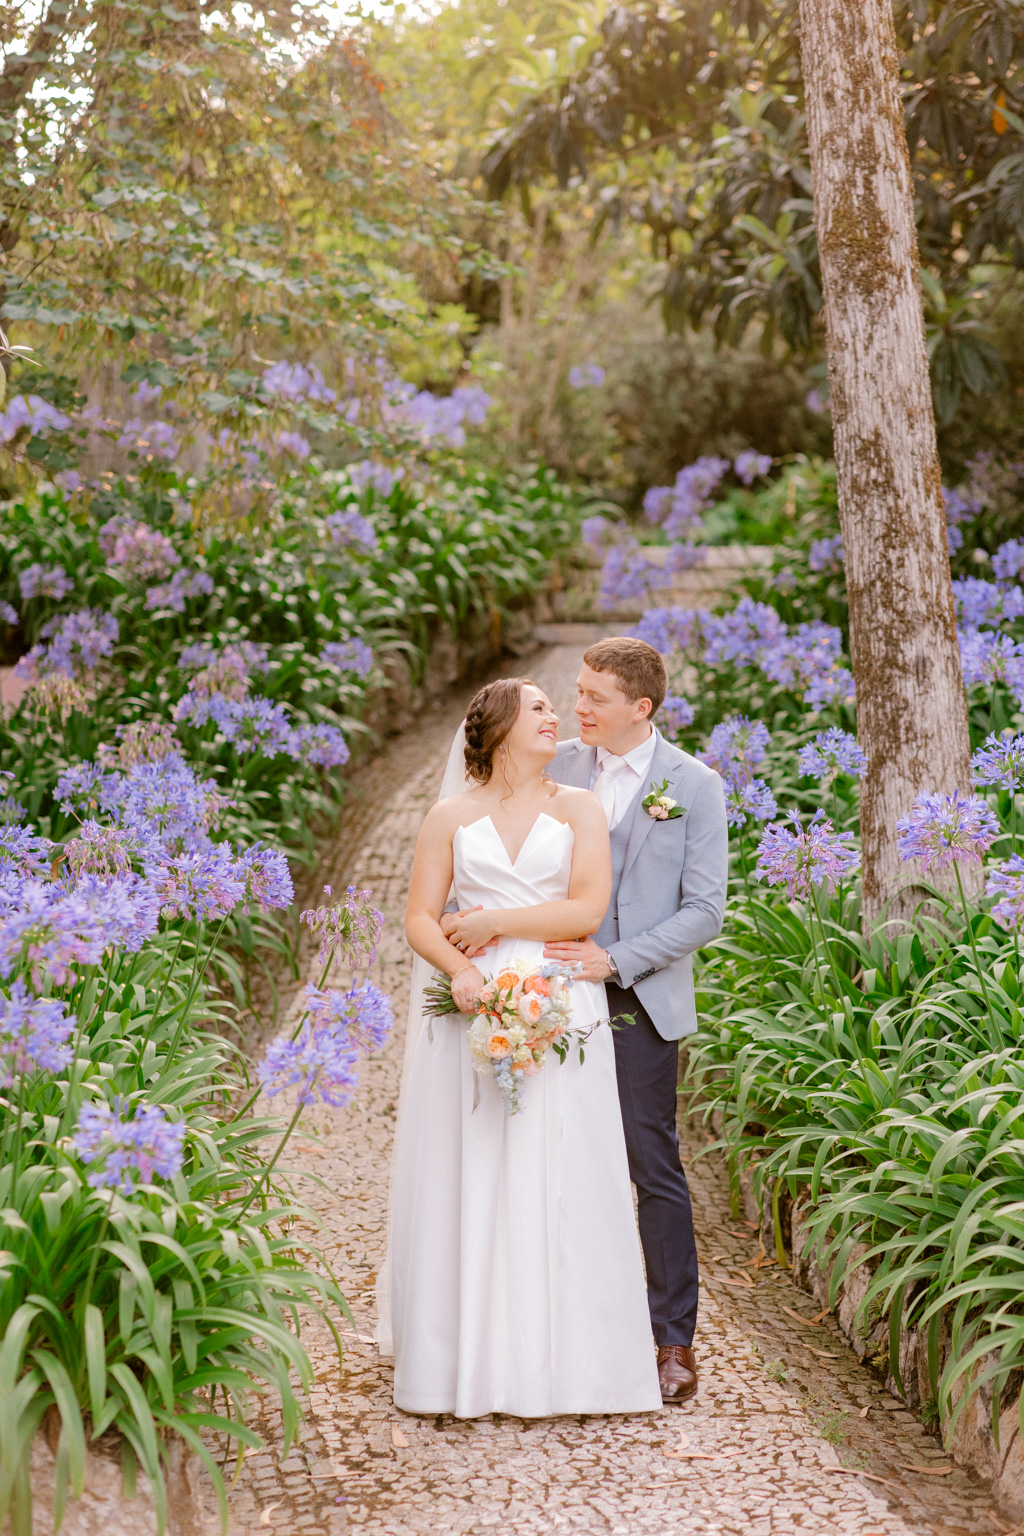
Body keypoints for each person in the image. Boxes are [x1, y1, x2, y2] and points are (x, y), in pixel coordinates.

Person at [446, 638, 728, 1404]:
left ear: (641, 708)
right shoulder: (555, 763)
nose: (579, 709)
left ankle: (671, 1340)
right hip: (538, 991)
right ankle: (558, 1322)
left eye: (596, 697)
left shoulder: (693, 787)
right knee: (549, 1153)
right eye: (576, 693)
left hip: (634, 997)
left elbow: (706, 911)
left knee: (650, 1165)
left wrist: (617, 960)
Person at [385, 677, 661, 1419]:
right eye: (539, 707)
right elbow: (418, 917)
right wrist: (463, 969)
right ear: (500, 727)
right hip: (470, 1005)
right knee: (474, 1168)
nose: (556, 717)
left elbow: (586, 908)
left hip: (559, 996)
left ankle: (574, 1368)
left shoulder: (580, 809)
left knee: (565, 1165)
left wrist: (497, 921)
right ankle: (468, 1363)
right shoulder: (449, 816)